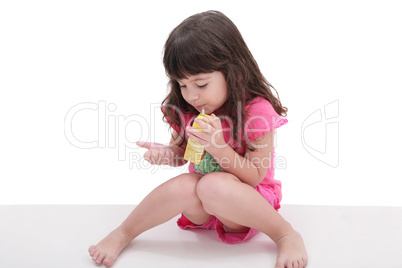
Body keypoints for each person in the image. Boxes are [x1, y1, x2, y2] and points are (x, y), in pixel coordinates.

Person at [89, 10, 308, 268]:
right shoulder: (190, 111)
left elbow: (255, 176)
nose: (191, 95)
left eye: (201, 85)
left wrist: (220, 149)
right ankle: (124, 232)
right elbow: (184, 155)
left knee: (211, 185)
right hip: (204, 206)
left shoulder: (256, 113)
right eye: (182, 85)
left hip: (247, 203)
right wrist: (168, 154)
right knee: (186, 185)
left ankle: (285, 234)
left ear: (233, 72)